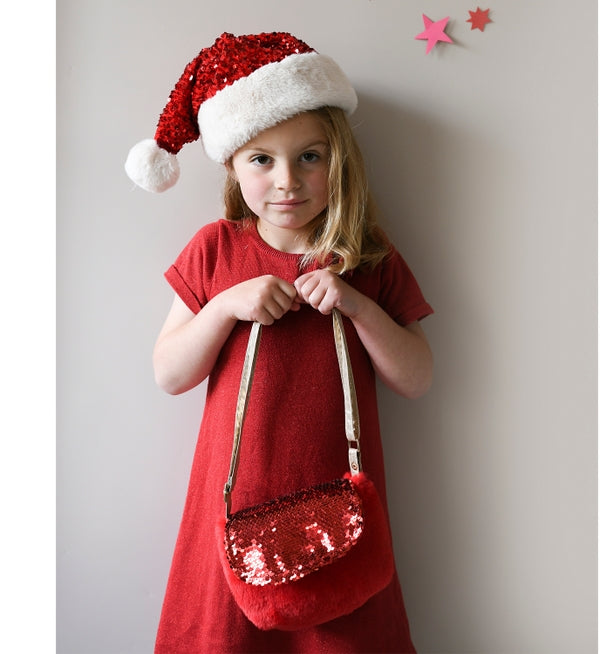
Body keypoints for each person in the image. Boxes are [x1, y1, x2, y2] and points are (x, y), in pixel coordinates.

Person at [125, 31, 434, 654]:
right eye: (261, 160)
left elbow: (416, 376)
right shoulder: (216, 249)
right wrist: (225, 306)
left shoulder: (367, 254)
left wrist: (355, 304)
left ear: (337, 158)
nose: (287, 180)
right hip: (235, 499)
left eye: (310, 157)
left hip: (339, 512)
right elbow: (169, 372)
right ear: (234, 168)